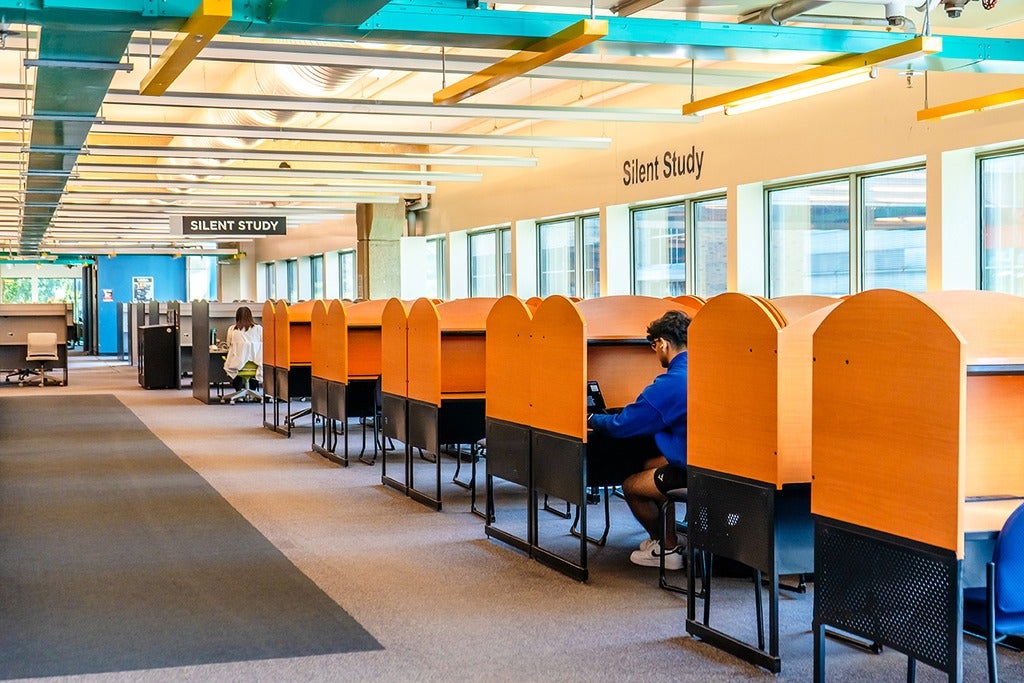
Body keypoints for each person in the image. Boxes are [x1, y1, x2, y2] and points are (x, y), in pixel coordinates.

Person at [587, 309, 690, 570]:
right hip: (710, 463)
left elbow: (622, 426)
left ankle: (666, 549)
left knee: (631, 485)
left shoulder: (673, 382)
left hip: (692, 470)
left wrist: (591, 420)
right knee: (649, 465)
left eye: (654, 346)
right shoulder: (703, 369)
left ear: (663, 343)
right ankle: (668, 540)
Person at [224, 306, 263, 391]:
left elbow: (228, 345)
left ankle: (238, 390)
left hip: (237, 365)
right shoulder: (259, 329)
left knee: (235, 360)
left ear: (237, 317)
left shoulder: (232, 329)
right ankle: (253, 389)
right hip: (255, 364)